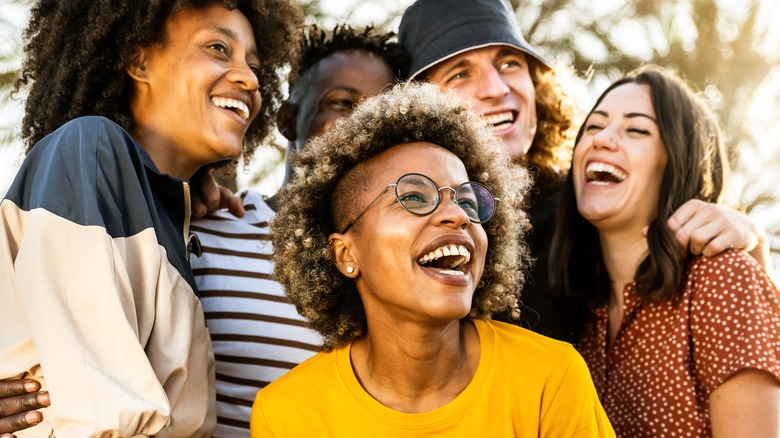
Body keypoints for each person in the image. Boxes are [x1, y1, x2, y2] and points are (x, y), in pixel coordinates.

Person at [0, 0, 300, 436]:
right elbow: (98, 419)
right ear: (138, 60)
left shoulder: (166, 213)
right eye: (218, 48)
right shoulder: (91, 151)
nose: (249, 79)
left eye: (253, 65)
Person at [397, 0, 775, 344]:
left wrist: (751, 246)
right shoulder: (403, 227)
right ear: (420, 107)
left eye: (510, 64)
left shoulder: (588, 203)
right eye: (460, 74)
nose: (496, 88)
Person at [251, 82, 615, 436]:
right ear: (346, 254)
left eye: (468, 201)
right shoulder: (288, 415)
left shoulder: (550, 380)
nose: (458, 215)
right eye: (413, 197)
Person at [189, 24, 408, 437]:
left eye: (381, 114)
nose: (362, 125)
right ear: (288, 119)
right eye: (342, 102)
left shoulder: (402, 269)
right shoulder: (204, 226)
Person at [548, 65, 780, 436]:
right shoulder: (582, 314)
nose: (602, 139)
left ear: (677, 161)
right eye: (594, 126)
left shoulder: (721, 279)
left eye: (636, 129)